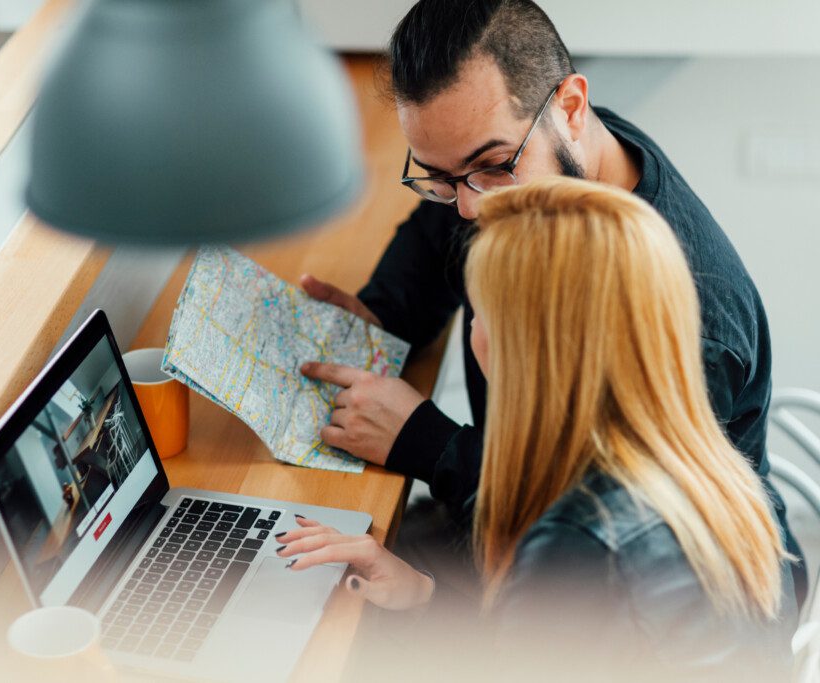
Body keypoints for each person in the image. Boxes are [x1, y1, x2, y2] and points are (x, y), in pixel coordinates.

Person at [297, 0, 806, 604]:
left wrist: (427, 444)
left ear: (570, 108)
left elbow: (587, 548)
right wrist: (383, 317)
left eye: (488, 168)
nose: (467, 208)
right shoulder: (543, 160)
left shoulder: (689, 324)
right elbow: (444, 222)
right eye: (438, 177)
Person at [285, 178, 798, 681]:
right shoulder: (701, 461)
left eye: (479, 308)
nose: (471, 329)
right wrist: (422, 596)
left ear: (526, 348)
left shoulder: (576, 541)